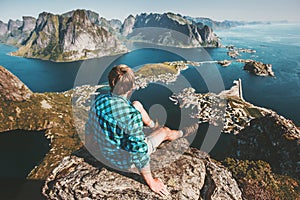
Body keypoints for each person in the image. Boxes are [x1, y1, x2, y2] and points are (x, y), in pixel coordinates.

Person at [85, 64, 198, 197]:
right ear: (131, 87)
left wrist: (91, 148)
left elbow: (89, 127)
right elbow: (139, 152)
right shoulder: (131, 118)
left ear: (110, 83)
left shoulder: (99, 101)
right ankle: (179, 133)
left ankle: (152, 125)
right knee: (164, 131)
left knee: (137, 104)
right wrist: (151, 182)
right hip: (123, 161)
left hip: (105, 153)